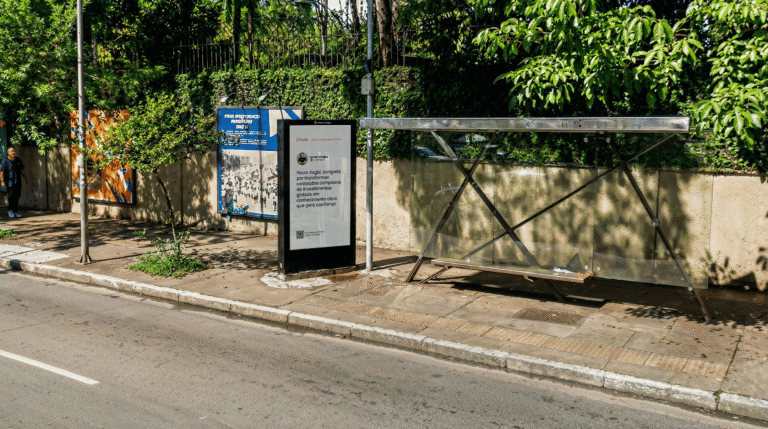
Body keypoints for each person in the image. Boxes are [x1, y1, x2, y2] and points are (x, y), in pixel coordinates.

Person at [0, 147, 30, 218]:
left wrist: (25, 178)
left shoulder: (18, 160)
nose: (14, 152)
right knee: (11, 196)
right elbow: (2, 172)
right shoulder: (5, 161)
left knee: (17, 196)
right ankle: (10, 210)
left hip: (18, 181)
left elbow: (22, 170)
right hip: (10, 182)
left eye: (14, 151)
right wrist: (2, 181)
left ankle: (15, 211)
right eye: (12, 151)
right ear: (8, 152)